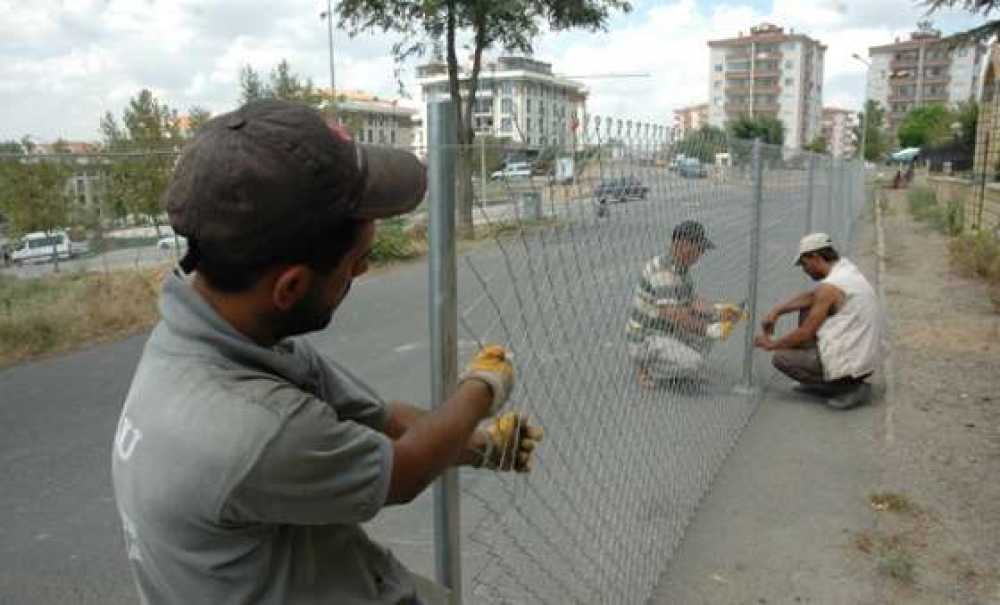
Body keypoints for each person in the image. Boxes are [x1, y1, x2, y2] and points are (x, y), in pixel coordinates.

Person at [111, 100, 543, 605]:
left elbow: (378, 422)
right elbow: (401, 471)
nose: (359, 276)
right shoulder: (252, 425)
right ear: (290, 286)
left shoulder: (223, 340)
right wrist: (482, 389)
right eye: (358, 263)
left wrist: (483, 446)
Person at [754, 232, 881, 409]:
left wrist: (772, 344)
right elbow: (812, 296)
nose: (804, 270)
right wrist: (777, 311)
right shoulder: (844, 270)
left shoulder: (830, 288)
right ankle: (834, 379)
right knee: (807, 308)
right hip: (862, 358)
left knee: (780, 358)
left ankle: (848, 387)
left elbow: (806, 332)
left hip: (853, 364)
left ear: (815, 257)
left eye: (804, 264)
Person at [625, 220, 743, 389]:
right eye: (700, 249)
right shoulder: (663, 272)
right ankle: (647, 367)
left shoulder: (680, 268)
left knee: (709, 324)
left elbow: (691, 301)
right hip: (647, 337)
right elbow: (674, 315)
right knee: (695, 363)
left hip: (665, 330)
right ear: (683, 245)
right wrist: (709, 329)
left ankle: (674, 366)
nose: (701, 254)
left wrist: (719, 311)